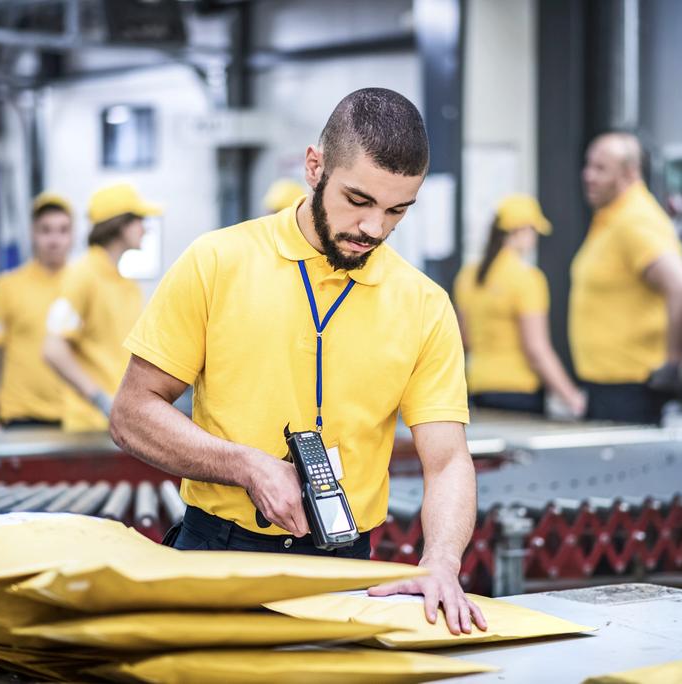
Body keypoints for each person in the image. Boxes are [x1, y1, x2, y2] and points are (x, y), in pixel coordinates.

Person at [111, 88, 487, 636]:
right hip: (217, 553)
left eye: (397, 210)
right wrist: (245, 465)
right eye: (358, 201)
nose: (374, 229)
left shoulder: (424, 304)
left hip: (342, 568)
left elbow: (449, 460)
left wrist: (442, 562)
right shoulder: (218, 262)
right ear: (315, 167)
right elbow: (131, 412)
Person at [570, 132, 682, 424]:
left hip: (629, 392)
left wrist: (673, 362)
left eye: (601, 169)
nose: (588, 176)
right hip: (606, 389)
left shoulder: (635, 219)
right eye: (588, 165)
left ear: (629, 173)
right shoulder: (612, 217)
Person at [43, 182, 161, 432]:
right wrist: (99, 399)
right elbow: (53, 348)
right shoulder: (82, 274)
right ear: (120, 224)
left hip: (120, 422)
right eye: (139, 219)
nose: (146, 229)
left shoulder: (127, 285)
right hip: (88, 427)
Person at [454, 195, 585, 417]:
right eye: (533, 231)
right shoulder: (527, 279)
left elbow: (463, 339)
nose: (534, 239)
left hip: (478, 387)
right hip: (519, 393)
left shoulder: (468, 276)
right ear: (521, 231)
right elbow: (536, 349)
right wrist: (571, 396)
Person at [0, 192, 74, 432]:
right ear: (32, 233)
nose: (54, 239)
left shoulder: (84, 287)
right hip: (21, 417)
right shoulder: (6, 287)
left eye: (63, 230)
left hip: (75, 419)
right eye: (46, 230)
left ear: (72, 235)